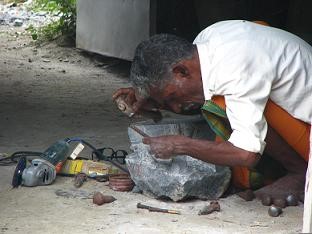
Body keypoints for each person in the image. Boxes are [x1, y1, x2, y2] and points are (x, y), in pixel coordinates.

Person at [113, 20, 312, 207]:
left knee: (222, 102)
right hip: (291, 103)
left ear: (181, 71)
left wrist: (179, 144)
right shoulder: (206, 43)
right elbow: (197, 97)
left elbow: (246, 154)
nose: (174, 108)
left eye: (172, 97)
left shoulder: (236, 69)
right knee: (220, 101)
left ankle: (299, 171)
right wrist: (154, 104)